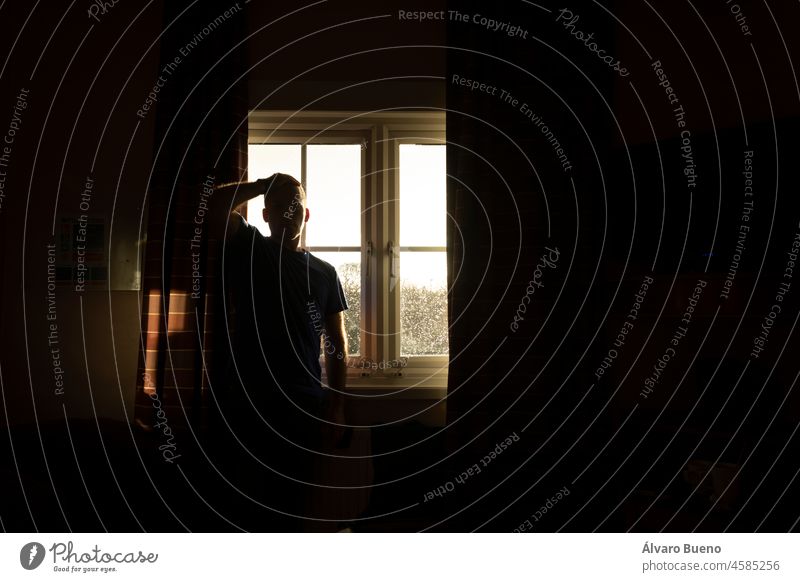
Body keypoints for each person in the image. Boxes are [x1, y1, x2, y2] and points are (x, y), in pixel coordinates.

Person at [206, 173, 349, 530]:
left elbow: (337, 342)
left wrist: (336, 403)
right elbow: (210, 208)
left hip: (305, 408)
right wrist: (262, 184)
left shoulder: (325, 273)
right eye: (280, 206)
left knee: (296, 512)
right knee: (248, 513)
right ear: (266, 215)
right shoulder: (249, 248)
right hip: (250, 404)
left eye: (296, 205)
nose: (289, 213)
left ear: (307, 214)